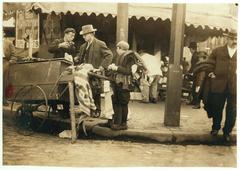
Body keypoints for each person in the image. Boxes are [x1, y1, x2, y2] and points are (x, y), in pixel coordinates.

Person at [74, 24, 113, 117]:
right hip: (85, 71)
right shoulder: (83, 46)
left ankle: (97, 110)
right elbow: (80, 57)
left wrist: (101, 67)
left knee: (96, 91)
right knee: (86, 90)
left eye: (85, 35)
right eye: (83, 35)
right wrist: (76, 58)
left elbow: (109, 55)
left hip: (95, 71)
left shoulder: (100, 43)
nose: (83, 37)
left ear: (91, 34)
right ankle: (87, 110)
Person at [208, 29, 237, 142]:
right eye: (232, 39)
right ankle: (215, 128)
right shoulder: (218, 51)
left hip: (235, 86)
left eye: (236, 39)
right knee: (217, 107)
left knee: (232, 110)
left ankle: (227, 132)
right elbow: (209, 62)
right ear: (227, 38)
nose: (234, 41)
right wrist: (210, 72)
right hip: (219, 84)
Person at [48, 28, 76, 118]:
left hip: (67, 69)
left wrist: (73, 50)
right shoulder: (58, 41)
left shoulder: (71, 45)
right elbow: (50, 49)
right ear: (66, 34)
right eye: (71, 35)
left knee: (66, 89)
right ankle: (54, 107)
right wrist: (60, 45)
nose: (72, 37)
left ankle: (65, 111)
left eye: (73, 36)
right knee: (55, 87)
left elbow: (73, 54)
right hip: (56, 68)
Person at [108, 41, 135, 130]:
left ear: (120, 48)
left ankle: (123, 124)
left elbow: (128, 71)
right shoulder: (122, 56)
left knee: (123, 103)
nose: (116, 50)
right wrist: (113, 66)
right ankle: (117, 122)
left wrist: (116, 68)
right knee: (117, 102)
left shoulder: (129, 57)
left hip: (124, 85)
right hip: (118, 83)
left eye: (117, 48)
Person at [3, 31, 16, 105]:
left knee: (4, 81)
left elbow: (14, 54)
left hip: (4, 62)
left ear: (4, 33)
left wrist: (10, 61)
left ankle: (3, 100)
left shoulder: (9, 43)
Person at [187, 42, 199, 106]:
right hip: (197, 73)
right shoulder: (197, 54)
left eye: (190, 49)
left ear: (192, 49)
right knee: (195, 87)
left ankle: (195, 102)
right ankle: (194, 101)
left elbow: (193, 66)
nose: (190, 51)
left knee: (195, 87)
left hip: (196, 74)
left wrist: (188, 72)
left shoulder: (194, 55)